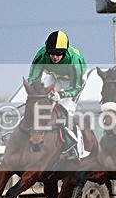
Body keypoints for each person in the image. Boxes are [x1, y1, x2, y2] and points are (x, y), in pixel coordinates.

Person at [27, 30, 88, 158]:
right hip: (54, 76)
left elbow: (75, 87)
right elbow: (33, 77)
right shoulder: (42, 54)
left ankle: (76, 149)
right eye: (52, 53)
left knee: (66, 111)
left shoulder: (74, 60)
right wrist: (37, 91)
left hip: (74, 81)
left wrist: (61, 94)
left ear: (64, 52)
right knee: (37, 103)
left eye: (59, 54)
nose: (55, 57)